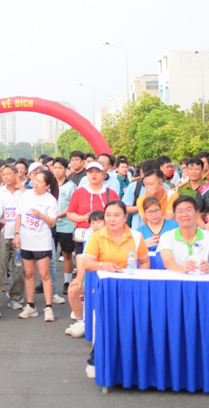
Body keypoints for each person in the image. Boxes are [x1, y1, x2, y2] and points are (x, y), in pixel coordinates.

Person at [80, 200, 150, 379]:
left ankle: (130, 364)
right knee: (106, 324)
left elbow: (144, 261)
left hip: (132, 288)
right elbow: (87, 263)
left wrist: (138, 277)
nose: (112, 219)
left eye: (117, 215)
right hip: (106, 289)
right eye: (108, 215)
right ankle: (94, 361)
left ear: (126, 217)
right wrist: (102, 264)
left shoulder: (136, 236)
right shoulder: (97, 236)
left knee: (131, 325)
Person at [15, 169, 59, 323]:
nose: (35, 183)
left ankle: (48, 308)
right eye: (35, 180)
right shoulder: (26, 194)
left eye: (40, 181)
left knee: (45, 274)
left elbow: (52, 223)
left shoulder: (50, 200)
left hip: (42, 241)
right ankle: (30, 306)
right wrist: (16, 234)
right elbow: (19, 215)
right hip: (26, 240)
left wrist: (41, 215)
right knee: (29, 273)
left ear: (47, 186)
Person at [64, 211, 104, 339]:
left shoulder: (109, 236)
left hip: (103, 277)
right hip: (89, 276)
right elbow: (83, 259)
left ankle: (89, 323)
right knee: (72, 289)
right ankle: (80, 321)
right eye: (93, 223)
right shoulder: (89, 234)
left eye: (99, 222)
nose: (95, 225)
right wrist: (79, 279)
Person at [158, 196, 209, 273]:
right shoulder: (167, 237)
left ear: (197, 213)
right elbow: (167, 262)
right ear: (175, 216)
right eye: (179, 211)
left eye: (189, 210)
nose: (184, 214)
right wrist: (182, 269)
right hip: (176, 279)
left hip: (203, 278)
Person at [0, 165, 26, 313]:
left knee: (19, 269)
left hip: (20, 236)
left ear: (16, 174)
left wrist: (22, 188)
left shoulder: (24, 191)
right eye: (4, 174)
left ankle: (15, 297)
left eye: (9, 174)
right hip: (2, 236)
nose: (6, 177)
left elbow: (31, 203)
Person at [51, 158, 77, 299]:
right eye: (55, 167)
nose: (57, 170)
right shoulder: (48, 184)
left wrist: (57, 216)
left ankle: (67, 282)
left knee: (67, 254)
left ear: (66, 169)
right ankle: (48, 282)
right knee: (49, 256)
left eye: (60, 168)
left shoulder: (71, 186)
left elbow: (72, 206)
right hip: (50, 225)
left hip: (66, 225)